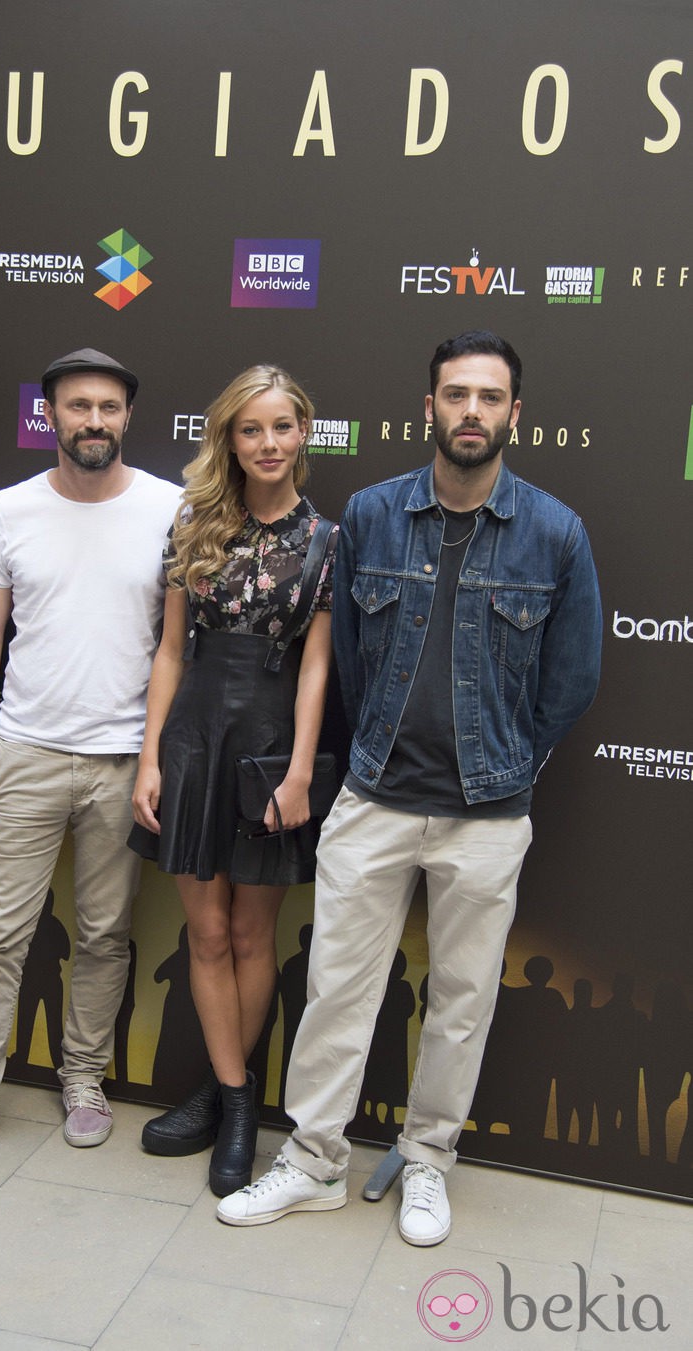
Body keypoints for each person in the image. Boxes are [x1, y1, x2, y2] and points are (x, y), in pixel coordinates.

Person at [216, 331, 602, 1242]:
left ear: (515, 414)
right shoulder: (376, 515)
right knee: (337, 989)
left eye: (490, 397)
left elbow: (572, 679)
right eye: (456, 394)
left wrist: (508, 758)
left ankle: (429, 1160)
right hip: (376, 797)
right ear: (428, 407)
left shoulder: (555, 532)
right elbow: (345, 656)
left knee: (461, 1001)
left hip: (488, 816)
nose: (472, 411)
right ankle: (312, 1160)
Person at [0, 348, 181, 1172]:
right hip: (24, 750)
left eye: (107, 406)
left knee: (104, 934)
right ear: (50, 415)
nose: (92, 420)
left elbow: (176, 647)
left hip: (122, 757)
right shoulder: (11, 509)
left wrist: (153, 757)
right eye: (76, 406)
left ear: (127, 416)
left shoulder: (171, 508)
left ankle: (85, 1080)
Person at [128, 365, 336, 1197]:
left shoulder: (328, 540)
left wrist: (297, 772)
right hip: (194, 738)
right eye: (251, 429)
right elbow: (170, 651)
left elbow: (319, 668)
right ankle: (238, 1098)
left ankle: (227, 1102)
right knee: (205, 935)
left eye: (282, 425)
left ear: (303, 432)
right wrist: (149, 758)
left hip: (272, 743)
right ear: (230, 439)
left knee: (253, 936)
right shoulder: (192, 526)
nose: (268, 443)